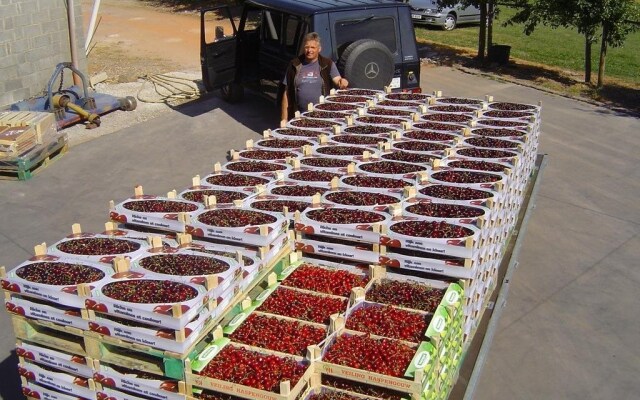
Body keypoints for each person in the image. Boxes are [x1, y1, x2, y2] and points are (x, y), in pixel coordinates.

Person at [280, 32, 349, 121]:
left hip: (322, 116)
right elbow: (286, 93)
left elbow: (338, 80)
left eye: (313, 47)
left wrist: (342, 82)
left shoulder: (327, 64)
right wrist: (284, 119)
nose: (309, 50)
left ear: (319, 49)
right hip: (299, 117)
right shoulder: (294, 64)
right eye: (306, 47)